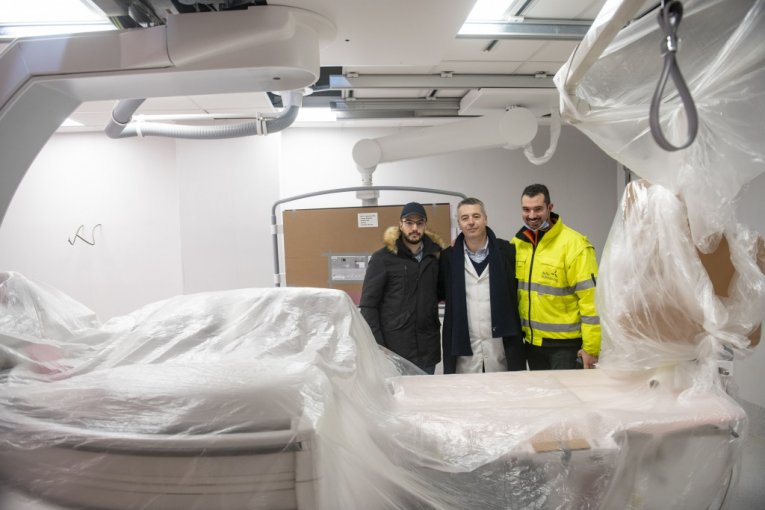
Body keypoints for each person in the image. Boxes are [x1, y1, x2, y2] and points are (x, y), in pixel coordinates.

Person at [511, 184, 601, 369]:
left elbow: (591, 301)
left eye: (538, 209)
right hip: (533, 345)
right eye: (526, 209)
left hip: (566, 347)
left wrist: (591, 348)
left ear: (550, 207)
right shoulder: (518, 243)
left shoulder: (575, 245)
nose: (532, 215)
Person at [438, 197, 524, 374]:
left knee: (505, 388)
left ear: (485, 219)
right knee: (466, 390)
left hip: (500, 347)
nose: (471, 222)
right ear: (459, 224)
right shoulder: (448, 258)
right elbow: (440, 292)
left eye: (476, 216)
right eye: (465, 218)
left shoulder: (508, 252)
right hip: (464, 353)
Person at [359, 202, 447, 374]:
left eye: (419, 223)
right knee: (397, 392)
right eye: (409, 223)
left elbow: (439, 294)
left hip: (427, 350)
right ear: (400, 224)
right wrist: (379, 346)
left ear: (425, 225)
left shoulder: (435, 257)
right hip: (394, 351)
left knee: (427, 391)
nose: (414, 228)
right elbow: (368, 306)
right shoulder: (383, 258)